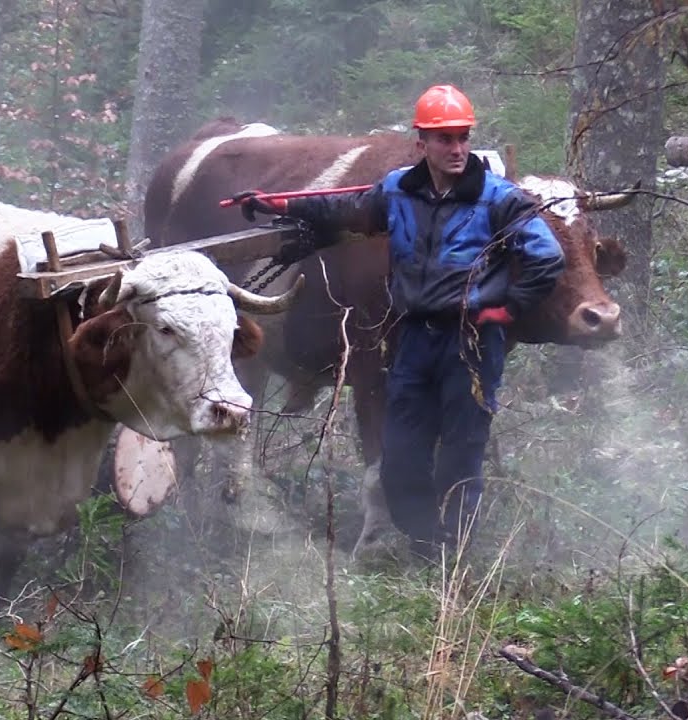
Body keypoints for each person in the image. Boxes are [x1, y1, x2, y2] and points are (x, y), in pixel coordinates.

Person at [228, 84, 565, 558]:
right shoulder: (398, 191)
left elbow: (546, 256)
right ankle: (423, 538)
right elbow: (345, 208)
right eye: (444, 139)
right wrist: (281, 205)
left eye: (462, 137)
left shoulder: (497, 198)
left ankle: (453, 555)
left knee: (462, 449)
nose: (456, 148)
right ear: (421, 142)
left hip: (470, 342)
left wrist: (507, 309)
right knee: (402, 452)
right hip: (414, 337)